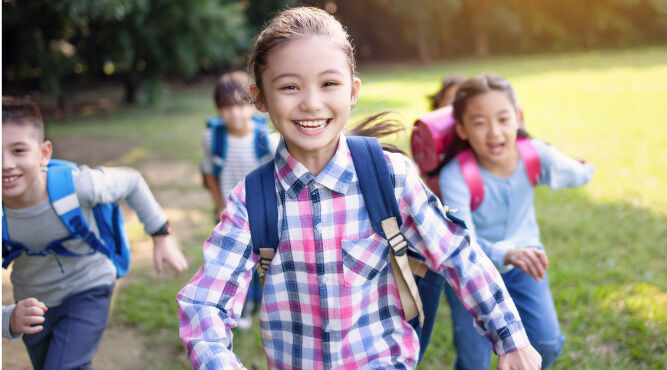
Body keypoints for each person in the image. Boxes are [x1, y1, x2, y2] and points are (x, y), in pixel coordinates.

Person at [177, 7, 541, 369]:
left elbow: (458, 255)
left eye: (329, 84)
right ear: (259, 97)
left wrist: (511, 338)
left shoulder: (389, 176)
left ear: (352, 91)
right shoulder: (251, 199)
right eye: (289, 86)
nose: (311, 103)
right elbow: (205, 302)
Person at [2, 97, 188, 369]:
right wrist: (8, 318)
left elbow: (131, 181)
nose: (6, 164)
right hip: (32, 304)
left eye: (18, 150)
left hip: (88, 286)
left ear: (43, 154)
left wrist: (161, 234)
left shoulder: (78, 185)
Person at [436, 74, 594, 369]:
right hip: (470, 272)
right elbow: (462, 239)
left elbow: (574, 171)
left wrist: (586, 169)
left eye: (503, 119)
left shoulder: (535, 154)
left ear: (518, 118)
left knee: (545, 345)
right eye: (480, 122)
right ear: (462, 129)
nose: (494, 132)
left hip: (525, 264)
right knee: (475, 362)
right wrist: (504, 253)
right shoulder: (455, 175)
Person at [200, 71, 279, 329]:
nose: (234, 113)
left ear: (253, 103)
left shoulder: (265, 139)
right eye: (226, 107)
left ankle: (256, 301)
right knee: (233, 262)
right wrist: (218, 203)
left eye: (239, 105)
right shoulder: (213, 138)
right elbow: (209, 172)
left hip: (261, 210)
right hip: (229, 211)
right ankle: (241, 307)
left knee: (259, 258)